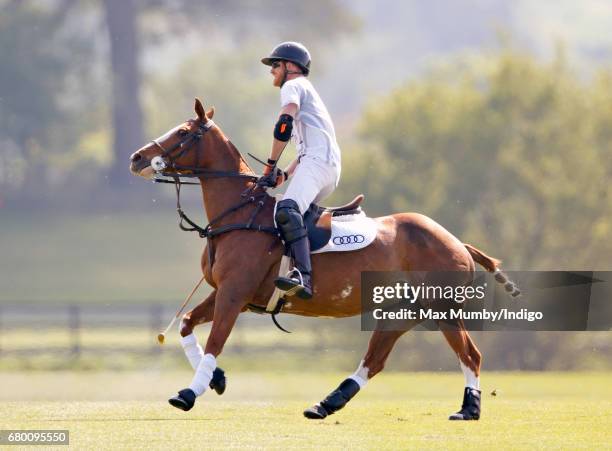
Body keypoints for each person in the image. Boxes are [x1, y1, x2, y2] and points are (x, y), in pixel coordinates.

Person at [260, 41, 341, 300]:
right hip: (322, 165)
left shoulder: (293, 86)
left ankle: (303, 277)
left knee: (286, 210)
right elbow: (303, 150)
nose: (272, 70)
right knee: (291, 211)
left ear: (290, 66)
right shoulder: (308, 91)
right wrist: (283, 174)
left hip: (318, 164)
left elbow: (283, 123)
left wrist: (270, 165)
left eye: (275, 64)